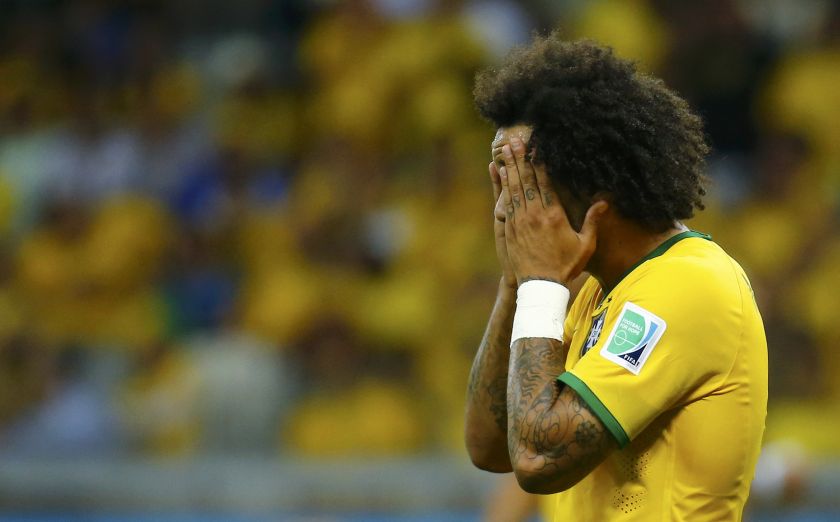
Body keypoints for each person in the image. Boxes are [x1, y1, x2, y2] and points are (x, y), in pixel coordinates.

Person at [464, 35, 767, 521]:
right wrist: (516, 285)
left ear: (590, 180)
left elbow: (539, 458)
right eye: (502, 183)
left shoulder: (688, 284)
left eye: (524, 185)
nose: (505, 209)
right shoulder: (595, 294)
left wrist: (539, 282)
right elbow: (491, 447)